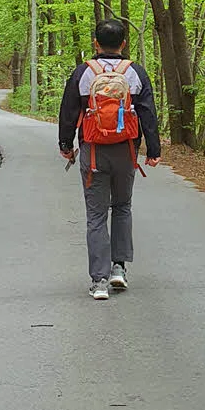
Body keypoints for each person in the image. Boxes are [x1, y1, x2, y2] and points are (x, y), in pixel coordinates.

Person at [58, 17, 161, 299]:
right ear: (124, 44)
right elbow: (147, 113)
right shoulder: (134, 72)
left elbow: (68, 111)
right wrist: (153, 150)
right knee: (123, 206)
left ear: (95, 43)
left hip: (93, 151)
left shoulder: (84, 73)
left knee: (96, 214)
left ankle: (99, 281)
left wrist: (65, 144)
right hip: (126, 150)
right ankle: (119, 268)